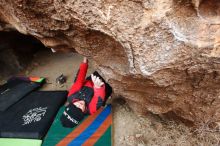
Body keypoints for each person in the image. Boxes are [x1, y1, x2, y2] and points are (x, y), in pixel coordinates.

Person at [60, 57, 106, 128]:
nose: (78, 105)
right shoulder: (91, 109)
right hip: (103, 88)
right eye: (79, 110)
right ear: (82, 114)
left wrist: (84, 63)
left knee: (103, 68)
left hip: (92, 79)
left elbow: (79, 79)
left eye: (74, 106)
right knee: (104, 96)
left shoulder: (71, 96)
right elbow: (98, 98)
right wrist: (97, 87)